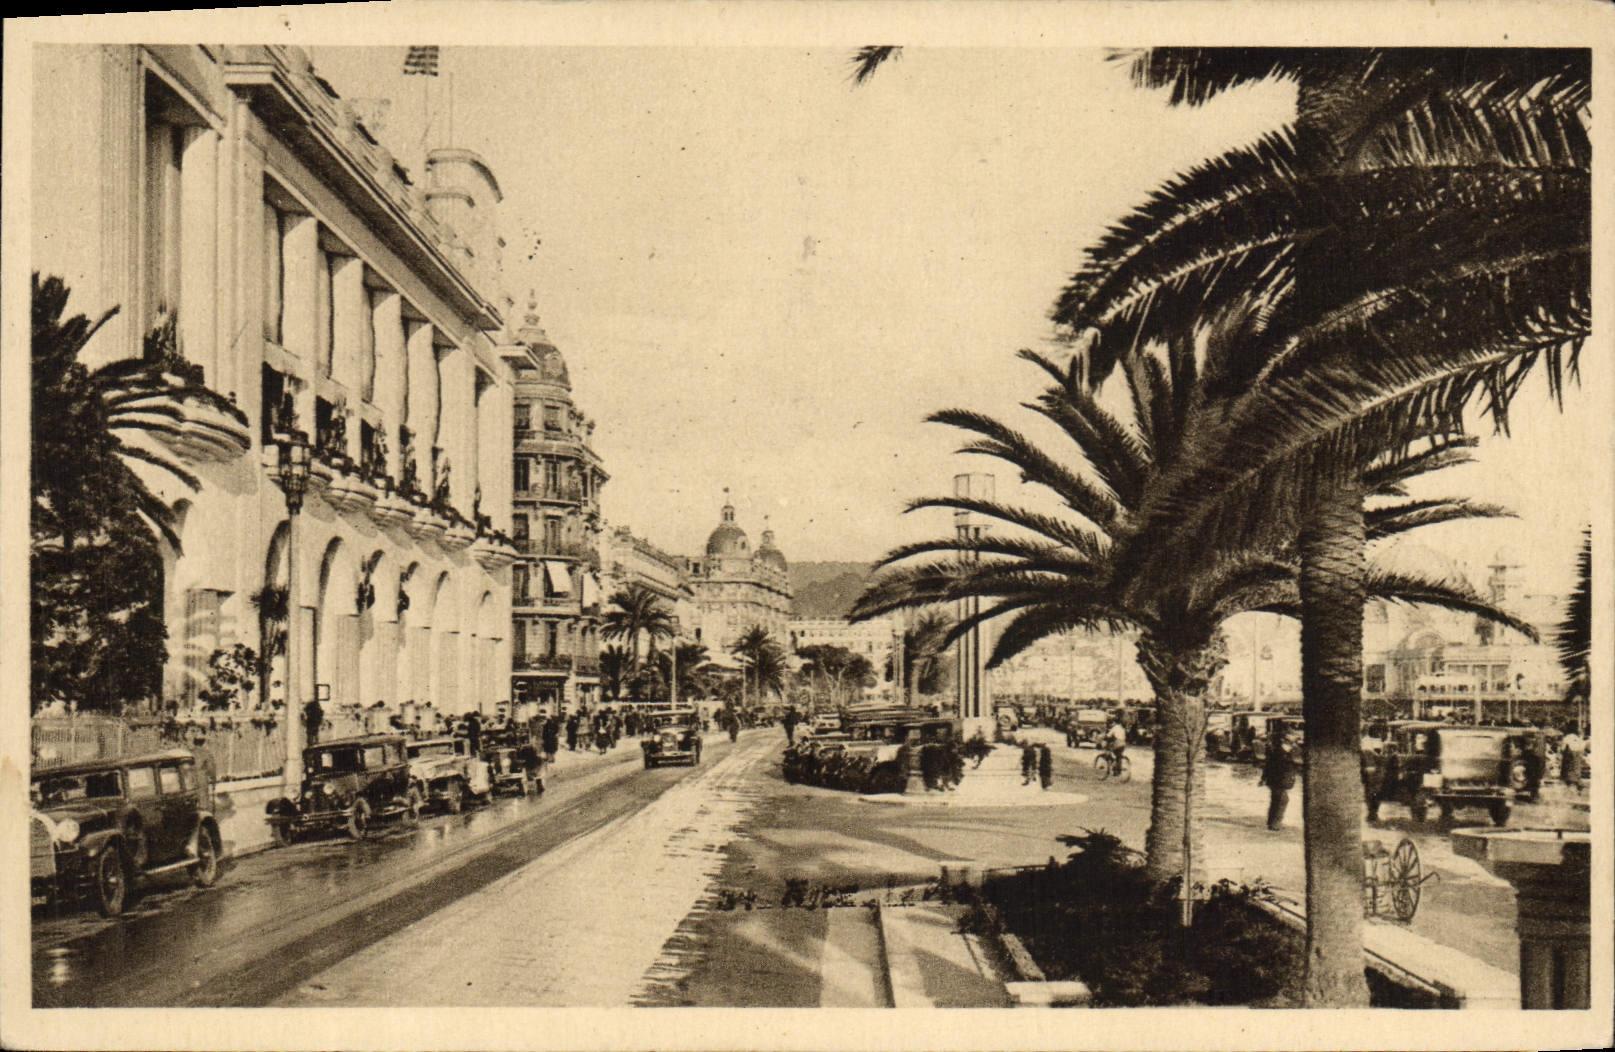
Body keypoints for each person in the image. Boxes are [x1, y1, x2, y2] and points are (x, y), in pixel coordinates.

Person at [1260, 730, 1297, 830]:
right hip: (1278, 781)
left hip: (1276, 781)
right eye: (1291, 743)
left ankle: (1272, 822)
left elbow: (1268, 765)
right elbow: (1277, 767)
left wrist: (1263, 778)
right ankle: (1275, 824)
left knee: (1277, 801)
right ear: (1286, 743)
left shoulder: (1279, 751)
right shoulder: (1280, 753)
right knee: (1282, 800)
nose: (1292, 746)